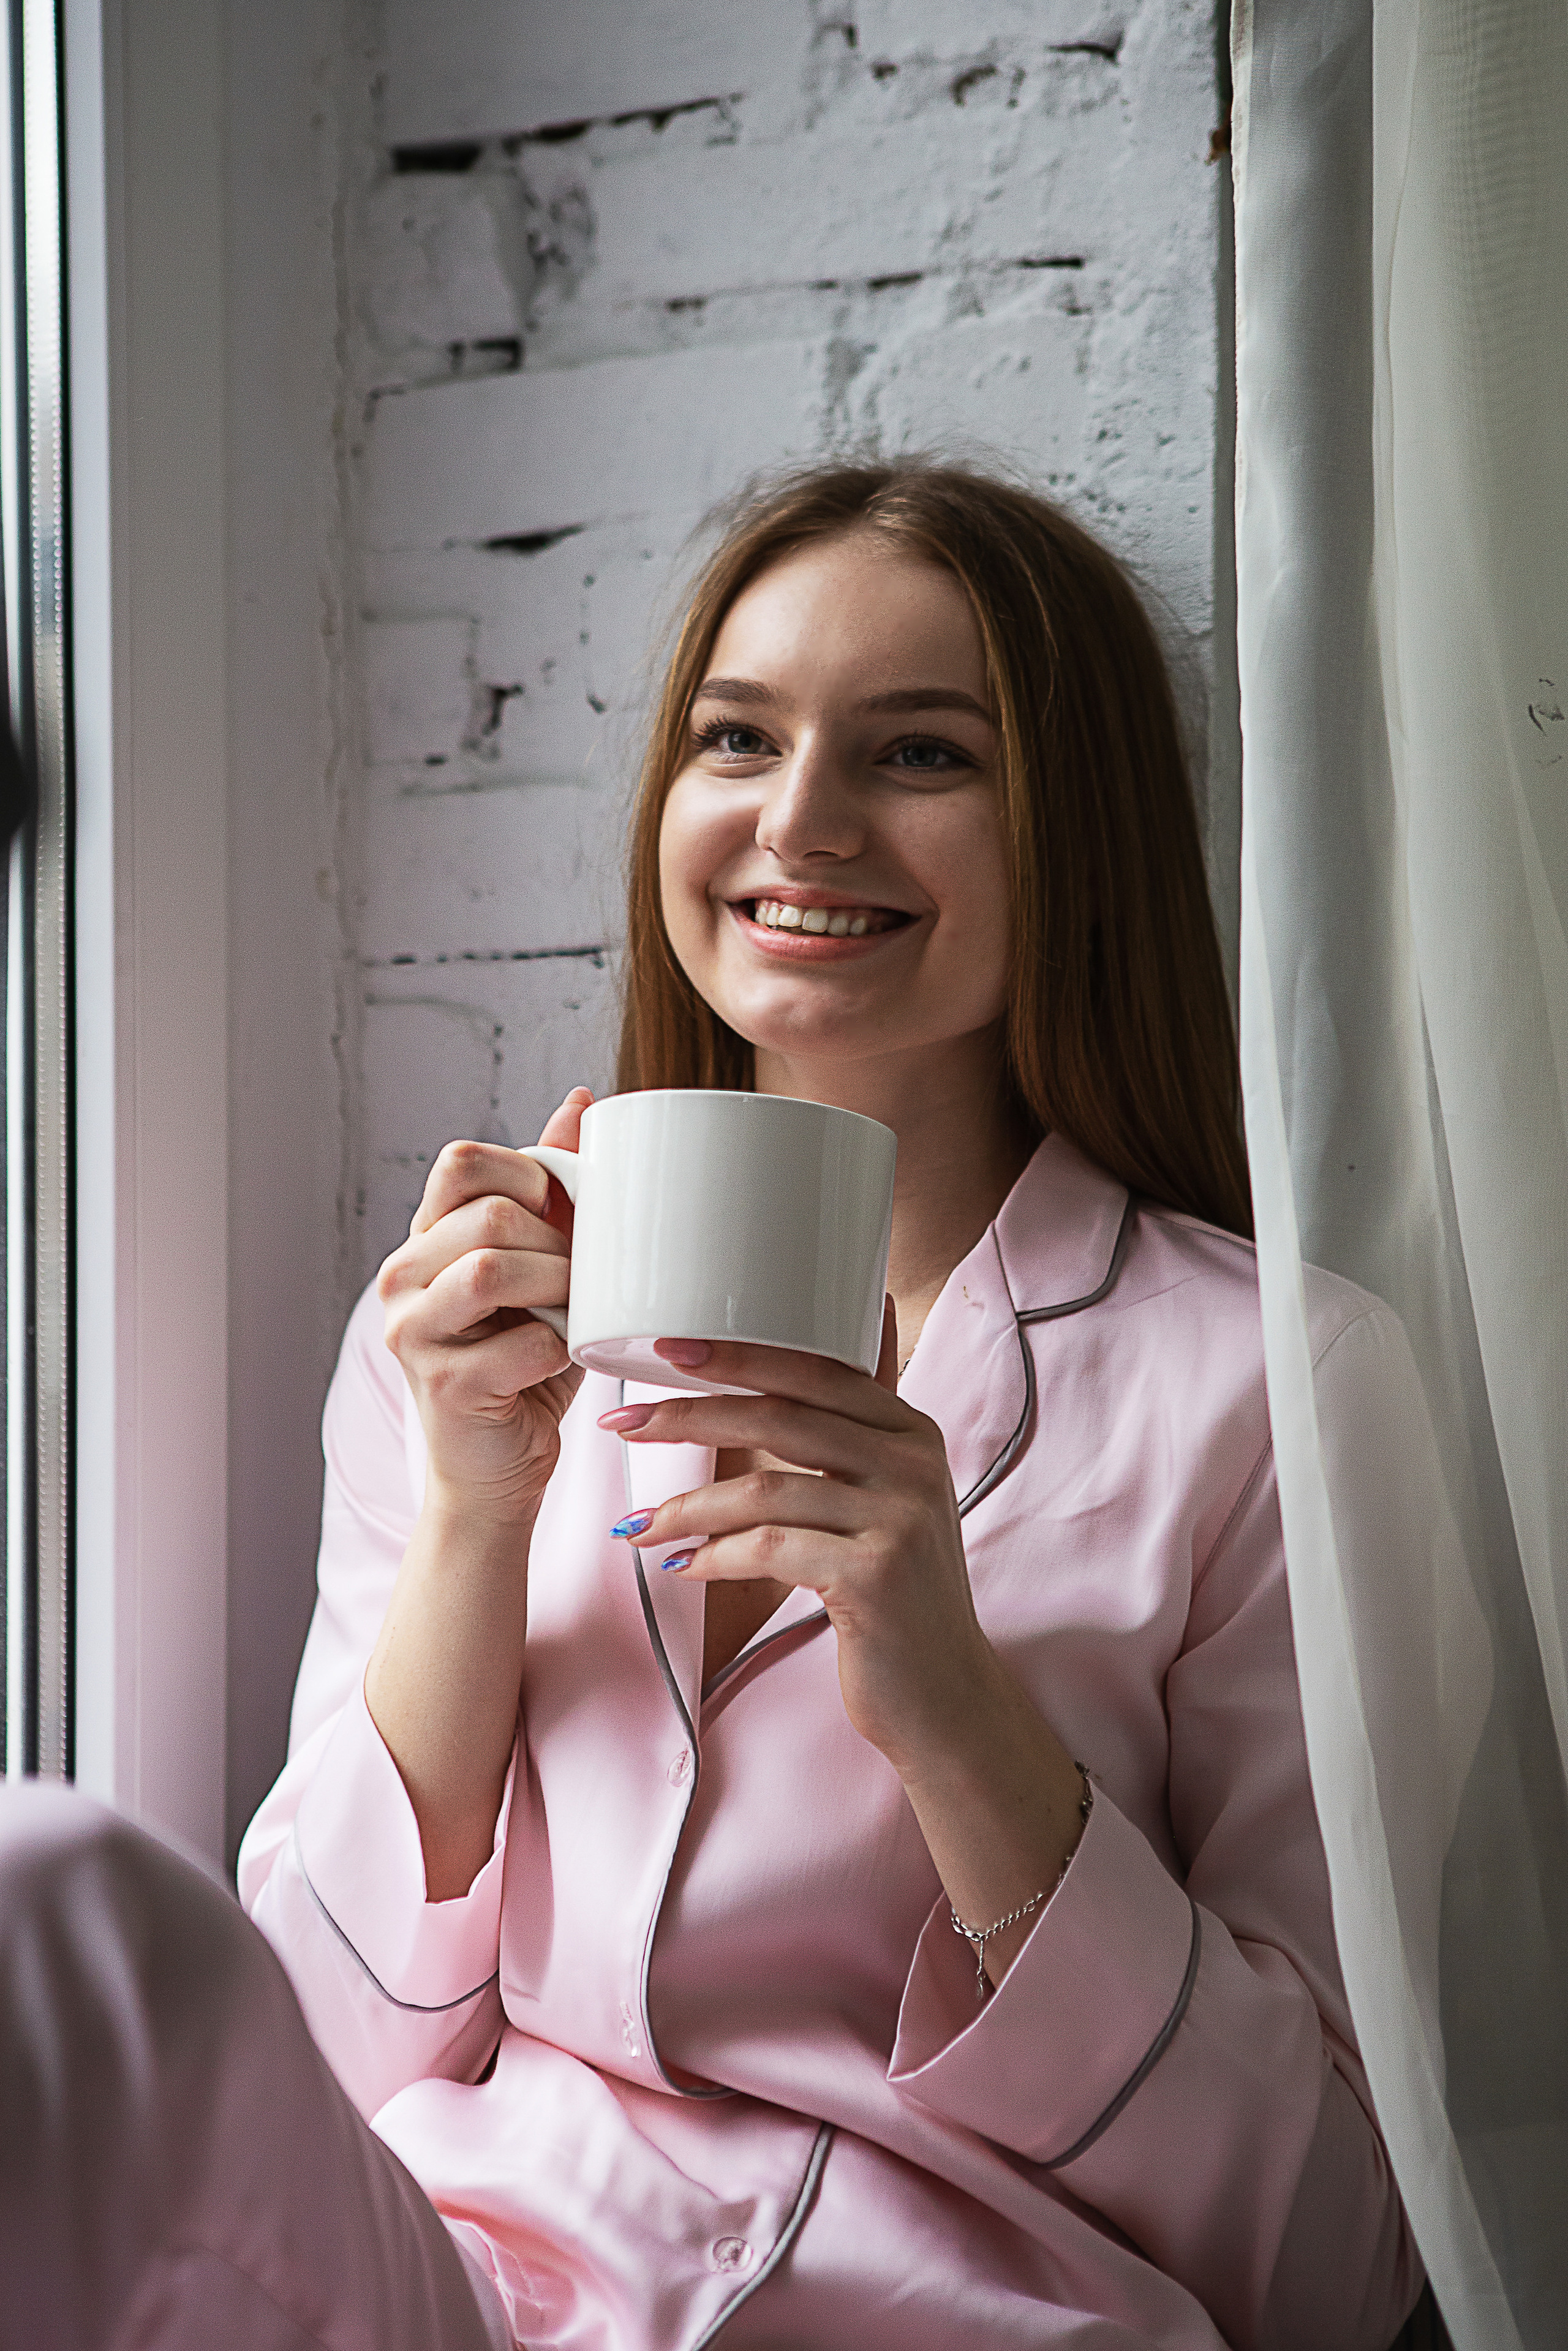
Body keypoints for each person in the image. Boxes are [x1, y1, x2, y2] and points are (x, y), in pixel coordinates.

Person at [3, 463, 1427, 2349]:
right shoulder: (465, 1328)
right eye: (737, 738)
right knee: (37, 1897)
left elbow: (1332, 2266)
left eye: (922, 754)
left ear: (1075, 826)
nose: (801, 821)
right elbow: (324, 2047)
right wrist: (474, 1520)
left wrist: (958, 1716)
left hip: (962, 2324)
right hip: (470, 2293)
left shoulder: (1276, 1389)